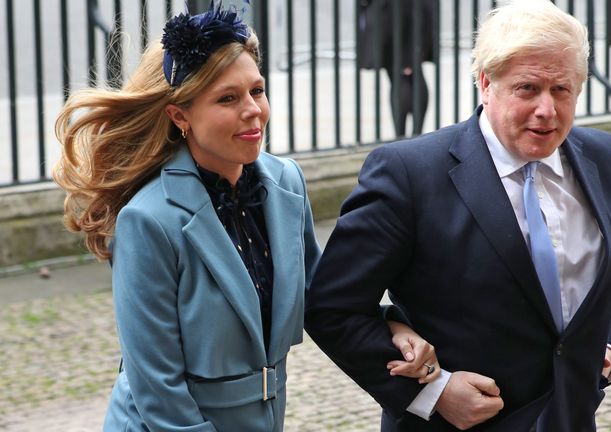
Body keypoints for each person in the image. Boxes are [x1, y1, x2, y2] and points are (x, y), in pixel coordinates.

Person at [53, 3, 438, 431]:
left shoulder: (286, 181)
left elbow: (322, 298)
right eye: (227, 98)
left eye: (257, 90)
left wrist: (392, 327)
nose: (253, 110)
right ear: (180, 116)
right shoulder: (148, 220)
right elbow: (158, 389)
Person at [305, 0, 611, 430]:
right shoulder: (410, 174)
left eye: (562, 90)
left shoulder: (602, 157)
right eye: (527, 88)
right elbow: (332, 308)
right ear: (486, 83)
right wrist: (432, 390)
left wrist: (608, 351)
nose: (547, 110)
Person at [357, 0, 438, 136]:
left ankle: (403, 137)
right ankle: (414, 136)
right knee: (411, 72)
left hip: (393, 11)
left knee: (401, 75)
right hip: (416, 10)